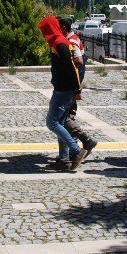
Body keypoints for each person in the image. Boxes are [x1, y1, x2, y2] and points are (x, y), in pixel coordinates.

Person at [38, 15, 87, 171]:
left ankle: (76, 151)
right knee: (61, 123)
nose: (43, 34)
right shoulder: (57, 42)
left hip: (63, 90)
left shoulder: (60, 44)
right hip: (62, 89)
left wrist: (77, 89)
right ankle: (64, 160)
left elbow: (72, 68)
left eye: (44, 30)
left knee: (52, 123)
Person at [59, 18, 98, 155]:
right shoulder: (73, 38)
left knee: (65, 118)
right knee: (67, 116)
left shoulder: (71, 41)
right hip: (73, 84)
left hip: (71, 86)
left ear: (63, 28)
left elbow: (79, 61)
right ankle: (73, 150)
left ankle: (85, 141)